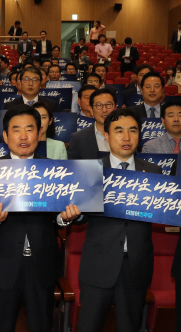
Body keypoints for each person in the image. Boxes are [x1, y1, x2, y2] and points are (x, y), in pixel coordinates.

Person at [0, 105, 81, 332]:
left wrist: (64, 219)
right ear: (6, 136)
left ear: (39, 134)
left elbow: (56, 219)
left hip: (42, 267)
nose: (23, 136)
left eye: (30, 129)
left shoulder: (55, 171)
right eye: (16, 130)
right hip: (2, 266)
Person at [75, 108, 161, 332]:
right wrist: (71, 215)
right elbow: (78, 218)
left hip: (136, 268)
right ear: (106, 135)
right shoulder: (91, 170)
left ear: (139, 135)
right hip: (98, 266)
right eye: (119, 131)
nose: (126, 137)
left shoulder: (153, 172)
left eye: (132, 131)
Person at [67, 88, 117, 159]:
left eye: (108, 104)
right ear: (91, 110)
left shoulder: (127, 136)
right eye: (99, 105)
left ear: (115, 107)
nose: (104, 110)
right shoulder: (78, 138)